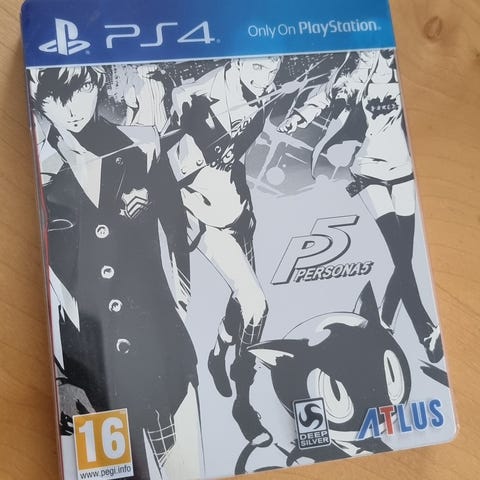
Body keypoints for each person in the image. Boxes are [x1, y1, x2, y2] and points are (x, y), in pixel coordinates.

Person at [30, 66, 202, 479]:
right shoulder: (38, 173)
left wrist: (180, 306)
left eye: (81, 89)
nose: (71, 109)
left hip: (163, 358)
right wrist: (59, 378)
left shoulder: (143, 144)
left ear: (96, 82)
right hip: (88, 376)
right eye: (54, 97)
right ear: (39, 100)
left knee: (189, 473)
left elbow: (177, 230)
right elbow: (38, 286)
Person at [279, 50, 443, 363]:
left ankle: (386, 322)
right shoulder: (358, 76)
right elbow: (326, 94)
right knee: (401, 256)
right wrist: (298, 118)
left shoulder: (407, 72)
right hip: (368, 174)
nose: (388, 54)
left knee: (404, 258)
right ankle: (423, 329)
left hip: (404, 172)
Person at [165, 56, 281, 446]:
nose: (266, 78)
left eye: (273, 70)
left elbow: (238, 154)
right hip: (201, 216)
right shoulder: (193, 95)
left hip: (236, 209)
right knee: (256, 305)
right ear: (238, 61)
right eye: (259, 68)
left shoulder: (264, 95)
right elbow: (163, 153)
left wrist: (242, 197)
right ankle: (243, 405)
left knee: (241, 299)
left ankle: (217, 353)